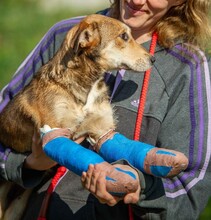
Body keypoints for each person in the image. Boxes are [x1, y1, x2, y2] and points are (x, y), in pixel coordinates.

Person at [0, 0, 211, 219]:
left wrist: (140, 188)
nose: (137, 1)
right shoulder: (67, 34)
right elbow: (5, 123)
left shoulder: (188, 66)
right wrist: (29, 165)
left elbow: (190, 190)